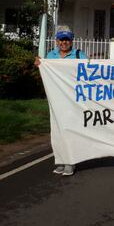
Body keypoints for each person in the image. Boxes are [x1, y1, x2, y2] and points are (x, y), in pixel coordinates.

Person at [35, 26, 88, 177]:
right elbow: (45, 75)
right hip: (56, 100)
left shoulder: (79, 55)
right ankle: (61, 160)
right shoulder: (50, 56)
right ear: (56, 41)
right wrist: (40, 65)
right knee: (57, 131)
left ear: (71, 41)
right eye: (61, 40)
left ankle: (70, 162)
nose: (64, 43)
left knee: (69, 131)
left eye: (67, 40)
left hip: (72, 100)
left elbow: (88, 73)